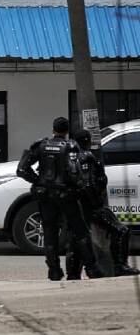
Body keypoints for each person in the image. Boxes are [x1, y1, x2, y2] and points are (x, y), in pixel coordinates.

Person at [17, 117, 100, 281]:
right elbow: (75, 172)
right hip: (66, 194)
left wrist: (38, 181)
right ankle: (92, 268)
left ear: (53, 129)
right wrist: (80, 188)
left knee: (49, 232)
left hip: (46, 195)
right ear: (67, 130)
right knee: (80, 231)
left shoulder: (41, 145)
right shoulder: (70, 146)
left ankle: (54, 271)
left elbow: (22, 169)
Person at [68, 130, 139, 277]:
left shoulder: (68, 156)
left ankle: (74, 273)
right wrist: (95, 202)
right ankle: (119, 266)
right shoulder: (86, 157)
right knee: (121, 231)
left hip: (74, 206)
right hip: (89, 205)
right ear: (87, 141)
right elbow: (88, 183)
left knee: (78, 238)